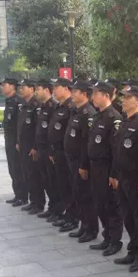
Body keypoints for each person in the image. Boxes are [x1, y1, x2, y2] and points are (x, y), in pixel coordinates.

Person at [110, 85, 138, 272]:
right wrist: (114, 174)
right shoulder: (124, 122)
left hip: (136, 179)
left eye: (128, 98)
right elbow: (118, 152)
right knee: (127, 216)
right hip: (123, 178)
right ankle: (132, 250)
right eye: (123, 97)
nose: (123, 101)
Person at [86, 81, 124, 256]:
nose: (93, 97)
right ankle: (107, 236)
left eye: (96, 94)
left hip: (107, 168)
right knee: (100, 203)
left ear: (106, 96)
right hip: (96, 167)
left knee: (111, 205)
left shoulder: (114, 117)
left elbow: (116, 149)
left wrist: (114, 174)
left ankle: (115, 240)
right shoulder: (97, 116)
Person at [64, 79, 99, 243]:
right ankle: (84, 226)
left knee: (86, 195)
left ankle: (91, 229)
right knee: (78, 193)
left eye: (75, 92)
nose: (72, 94)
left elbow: (86, 143)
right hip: (72, 160)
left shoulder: (88, 114)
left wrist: (84, 165)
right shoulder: (76, 111)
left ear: (84, 94)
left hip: (81, 161)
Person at [49, 78, 78, 231]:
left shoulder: (71, 107)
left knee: (70, 186)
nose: (54, 90)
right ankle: (67, 214)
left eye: (57, 87)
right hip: (58, 152)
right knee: (62, 186)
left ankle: (73, 217)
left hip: (67, 153)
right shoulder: (58, 106)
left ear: (66, 89)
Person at [34, 79, 61, 219]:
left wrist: (51, 150)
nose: (36, 92)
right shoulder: (42, 106)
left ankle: (57, 209)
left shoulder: (53, 106)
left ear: (46, 90)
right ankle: (52, 207)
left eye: (38, 89)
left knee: (53, 182)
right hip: (41, 149)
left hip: (49, 149)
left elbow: (53, 132)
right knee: (46, 180)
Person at [0, 77, 27, 207]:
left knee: (18, 168)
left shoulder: (18, 102)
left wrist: (18, 141)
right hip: (9, 140)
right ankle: (17, 194)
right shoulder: (9, 101)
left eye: (4, 85)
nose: (2, 87)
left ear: (12, 86)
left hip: (16, 141)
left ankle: (23, 196)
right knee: (12, 169)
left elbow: (20, 125)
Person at [16, 79, 41, 214]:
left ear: (32, 89)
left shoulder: (36, 105)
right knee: (27, 175)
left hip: (32, 147)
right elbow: (21, 126)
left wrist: (35, 147)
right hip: (24, 146)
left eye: (24, 87)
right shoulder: (24, 105)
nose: (21, 90)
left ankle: (38, 203)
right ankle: (33, 201)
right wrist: (18, 142)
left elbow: (37, 128)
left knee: (34, 175)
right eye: (21, 87)